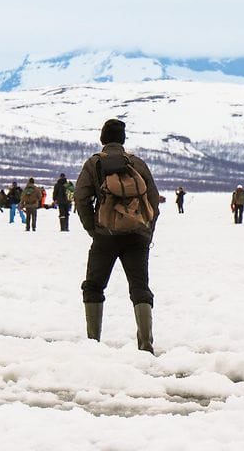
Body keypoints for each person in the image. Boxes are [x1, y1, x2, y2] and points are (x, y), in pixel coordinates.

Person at [74, 119, 159, 353]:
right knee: (140, 287)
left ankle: (93, 344)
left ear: (103, 139)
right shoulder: (137, 164)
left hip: (105, 236)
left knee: (93, 286)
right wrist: (147, 232)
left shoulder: (94, 164)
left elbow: (81, 199)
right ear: (122, 140)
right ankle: (146, 344)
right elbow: (153, 201)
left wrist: (93, 229)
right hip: (137, 235)